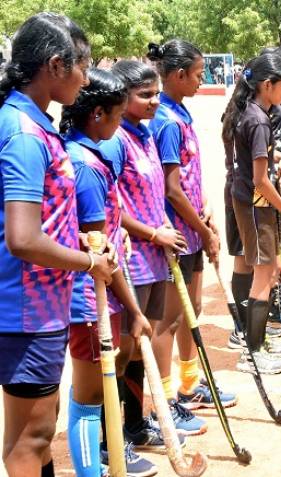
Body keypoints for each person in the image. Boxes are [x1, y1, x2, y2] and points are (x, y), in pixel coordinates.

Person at [0, 13, 115, 476]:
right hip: (27, 308)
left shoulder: (32, 123)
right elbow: (24, 238)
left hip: (41, 304)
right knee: (31, 439)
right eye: (82, 66)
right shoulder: (24, 135)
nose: (86, 78)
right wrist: (89, 262)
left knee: (39, 436)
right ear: (54, 65)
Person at [61, 68, 159, 477]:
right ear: (97, 114)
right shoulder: (85, 166)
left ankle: (105, 458)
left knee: (97, 387)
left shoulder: (93, 156)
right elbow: (100, 253)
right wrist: (134, 308)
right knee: (89, 396)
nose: (121, 126)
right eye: (118, 116)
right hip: (89, 296)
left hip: (99, 289)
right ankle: (91, 469)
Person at [107, 59, 204, 439]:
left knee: (140, 345)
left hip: (156, 256)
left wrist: (161, 230)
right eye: (143, 95)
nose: (152, 101)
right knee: (125, 350)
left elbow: (152, 193)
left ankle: (136, 422)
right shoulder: (116, 140)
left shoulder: (145, 133)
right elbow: (111, 206)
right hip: (133, 258)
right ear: (122, 96)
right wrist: (152, 232)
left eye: (154, 93)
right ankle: (114, 436)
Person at [146, 40, 236, 420]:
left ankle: (189, 383)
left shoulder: (179, 112)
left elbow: (191, 178)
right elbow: (171, 187)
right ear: (179, 75)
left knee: (192, 310)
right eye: (199, 75)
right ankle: (167, 401)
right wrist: (203, 227)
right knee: (168, 319)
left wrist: (207, 213)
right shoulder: (165, 120)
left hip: (193, 229)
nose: (203, 80)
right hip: (176, 235)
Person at [223, 53, 281, 374]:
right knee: (264, 275)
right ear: (266, 85)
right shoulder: (257, 120)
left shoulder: (255, 113)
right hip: (256, 206)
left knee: (266, 274)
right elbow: (260, 180)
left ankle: (258, 343)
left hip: (256, 204)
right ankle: (252, 353)